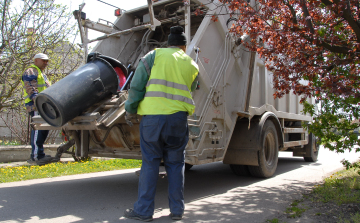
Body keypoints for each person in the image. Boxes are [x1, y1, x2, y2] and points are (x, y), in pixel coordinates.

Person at [123, 26, 199, 221]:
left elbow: (137, 85)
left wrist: (130, 109)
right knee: (176, 164)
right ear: (183, 46)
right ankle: (177, 211)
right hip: (178, 120)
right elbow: (194, 86)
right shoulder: (191, 63)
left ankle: (144, 211)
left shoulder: (153, 56)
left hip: (153, 120)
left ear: (168, 43)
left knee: (150, 163)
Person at [22, 53, 54, 165]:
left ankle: (40, 154)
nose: (46, 63)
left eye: (47, 61)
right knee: (38, 130)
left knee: (43, 130)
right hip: (36, 106)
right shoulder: (31, 71)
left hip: (43, 106)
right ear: (36, 60)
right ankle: (35, 157)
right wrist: (39, 102)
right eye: (43, 61)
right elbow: (30, 88)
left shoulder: (41, 73)